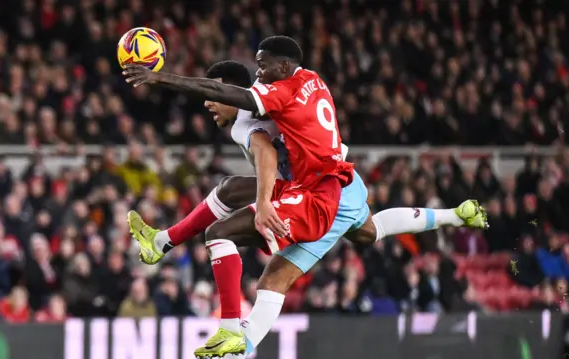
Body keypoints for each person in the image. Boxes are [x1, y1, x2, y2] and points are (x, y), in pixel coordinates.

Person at [123, 36, 489, 358]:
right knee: (361, 228)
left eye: (264, 67)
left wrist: (161, 78)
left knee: (267, 273)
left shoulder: (256, 111)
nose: (260, 73)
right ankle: (455, 215)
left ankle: (236, 337)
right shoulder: (307, 78)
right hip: (339, 179)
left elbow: (259, 144)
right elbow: (243, 96)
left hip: (321, 190)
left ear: (281, 67)